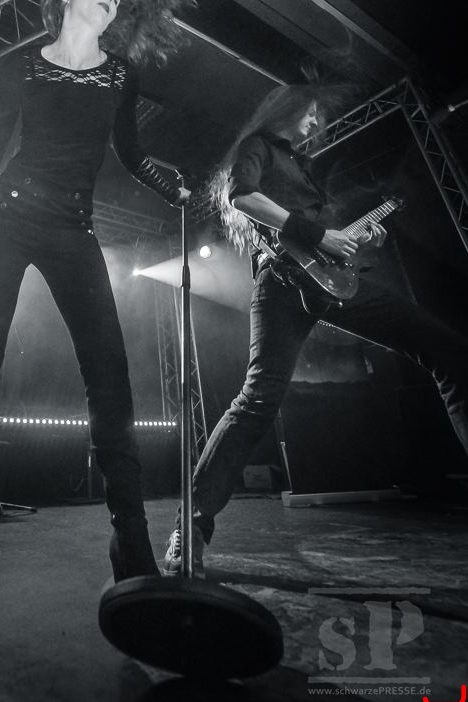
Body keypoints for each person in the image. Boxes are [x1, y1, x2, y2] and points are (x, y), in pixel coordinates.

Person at [0, 0, 193, 667]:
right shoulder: (23, 66)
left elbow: (129, 154)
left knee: (112, 378)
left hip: (73, 228)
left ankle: (133, 557)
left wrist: (172, 184)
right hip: (8, 218)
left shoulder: (120, 75)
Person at [163, 84, 468, 576]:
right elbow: (243, 197)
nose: (315, 121)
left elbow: (328, 242)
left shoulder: (302, 167)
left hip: (331, 281)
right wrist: (320, 235)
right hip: (281, 281)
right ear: (287, 107)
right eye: (310, 111)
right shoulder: (258, 147)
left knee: (447, 351)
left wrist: (360, 245)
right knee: (258, 399)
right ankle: (191, 526)